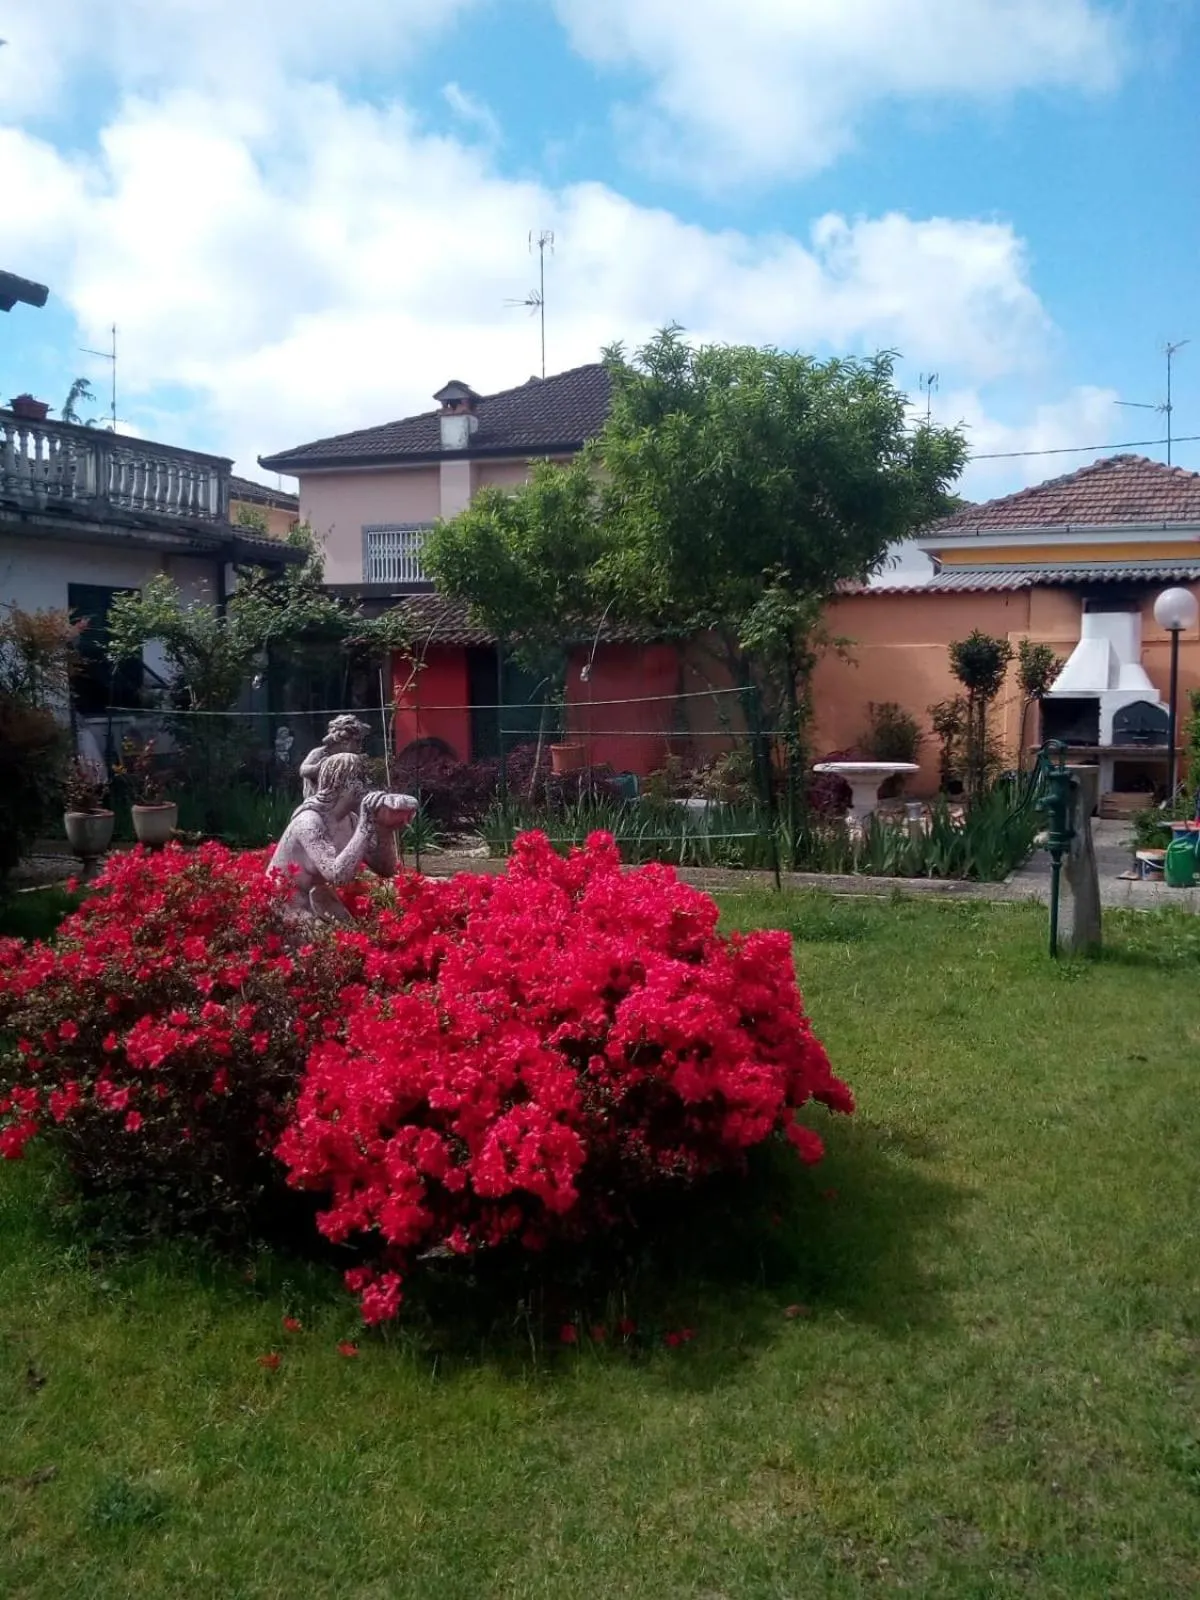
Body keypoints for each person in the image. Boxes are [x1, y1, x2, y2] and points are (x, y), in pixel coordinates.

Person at [268, 752, 398, 924]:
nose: (367, 785)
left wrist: (383, 828)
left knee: (350, 941)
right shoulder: (309, 821)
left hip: (317, 897)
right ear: (340, 782)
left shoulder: (350, 820)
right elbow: (337, 876)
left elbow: (386, 869)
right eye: (359, 778)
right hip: (285, 901)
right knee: (331, 945)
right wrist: (366, 825)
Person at [299, 714, 372, 799]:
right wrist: (318, 768)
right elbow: (303, 770)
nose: (360, 745)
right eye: (357, 741)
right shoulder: (320, 753)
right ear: (344, 741)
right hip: (319, 801)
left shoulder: (353, 758)